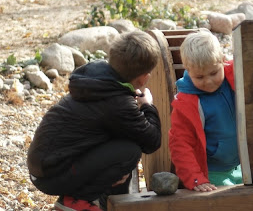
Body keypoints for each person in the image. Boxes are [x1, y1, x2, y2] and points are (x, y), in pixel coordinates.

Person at [27, 30, 162, 211]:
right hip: (52, 176)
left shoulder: (98, 78)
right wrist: (147, 106)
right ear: (144, 77)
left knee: (124, 141)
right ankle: (77, 201)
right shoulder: (117, 103)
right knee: (129, 151)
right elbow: (152, 141)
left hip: (43, 166)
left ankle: (100, 202)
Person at [168, 30, 240, 191]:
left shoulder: (236, 76)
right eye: (199, 77)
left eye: (213, 73)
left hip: (242, 164)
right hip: (212, 171)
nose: (208, 81)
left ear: (223, 60)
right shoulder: (186, 102)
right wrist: (195, 178)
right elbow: (180, 144)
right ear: (187, 70)